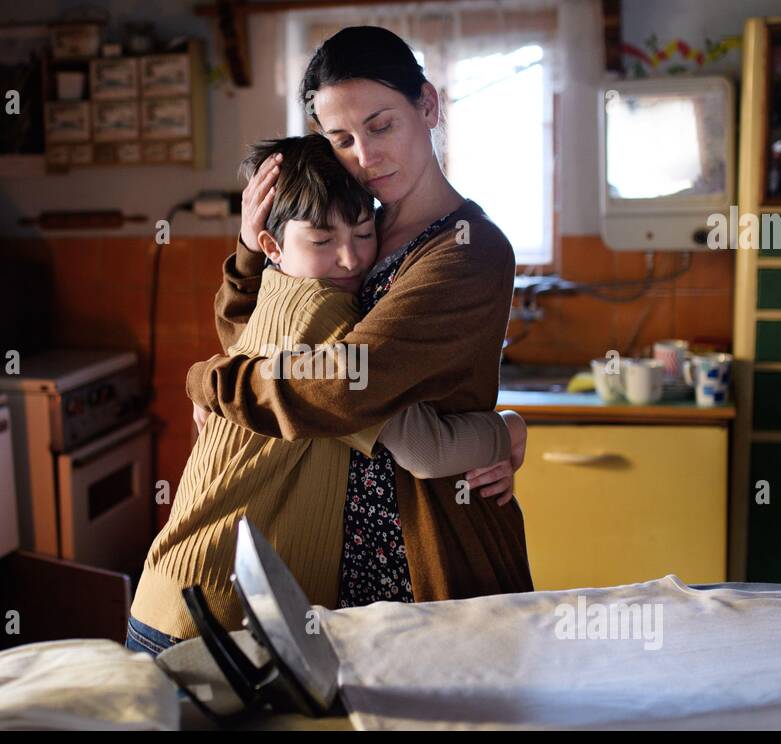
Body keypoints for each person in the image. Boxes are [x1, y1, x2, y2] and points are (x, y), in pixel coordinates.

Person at [184, 25, 534, 625]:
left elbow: (346, 384)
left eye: (381, 125)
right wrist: (250, 251)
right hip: (325, 546)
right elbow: (265, 342)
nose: (365, 157)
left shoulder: (467, 250)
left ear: (428, 105)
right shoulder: (357, 223)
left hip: (426, 549)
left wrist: (209, 384)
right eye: (341, 138)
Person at [126, 134, 526, 656]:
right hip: (217, 616)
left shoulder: (273, 290)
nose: (348, 258)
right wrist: (508, 429)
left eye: (363, 233)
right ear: (273, 244)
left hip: (176, 590)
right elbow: (425, 451)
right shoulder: (331, 320)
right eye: (320, 241)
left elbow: (238, 337)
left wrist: (207, 364)